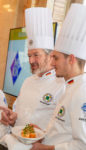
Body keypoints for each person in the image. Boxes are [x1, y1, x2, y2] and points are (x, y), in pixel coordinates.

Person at [0, 7, 65, 150]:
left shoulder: (62, 84)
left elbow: (64, 128)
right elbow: (20, 114)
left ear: (50, 55)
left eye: (36, 55)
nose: (30, 61)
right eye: (29, 56)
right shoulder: (28, 81)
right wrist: (12, 118)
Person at [31, 3, 86, 150]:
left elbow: (82, 145)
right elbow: (64, 131)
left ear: (71, 59)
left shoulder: (82, 92)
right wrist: (44, 134)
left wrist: (46, 148)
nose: (52, 63)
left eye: (56, 58)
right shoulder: (70, 86)